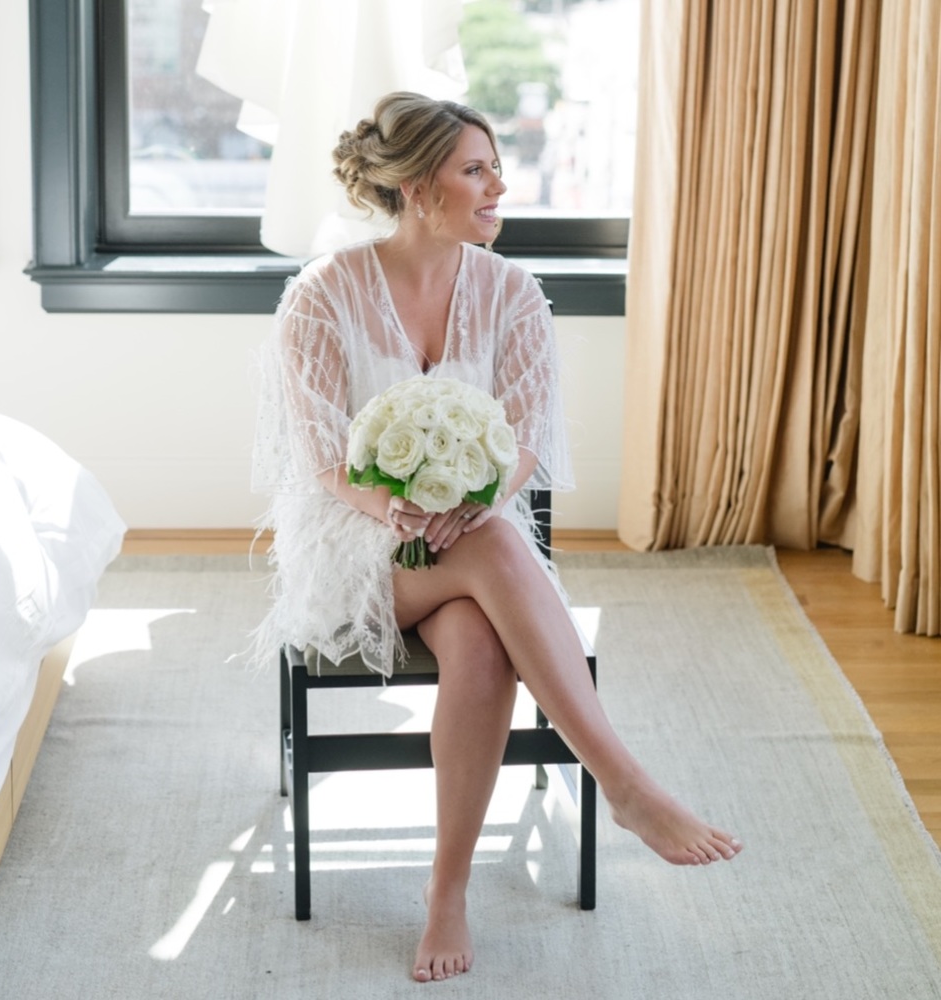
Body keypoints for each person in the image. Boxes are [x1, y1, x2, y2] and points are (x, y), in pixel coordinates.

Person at [252, 91, 742, 984]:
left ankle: (448, 893)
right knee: (496, 553)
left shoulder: (514, 292)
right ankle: (625, 785)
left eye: (494, 167)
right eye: (475, 169)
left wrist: (478, 493)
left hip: (474, 537)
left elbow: (529, 445)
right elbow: (324, 461)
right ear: (411, 185)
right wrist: (397, 508)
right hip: (359, 544)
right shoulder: (323, 296)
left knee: (481, 647)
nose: (498, 185)